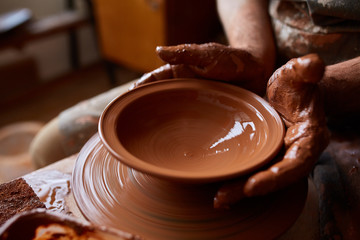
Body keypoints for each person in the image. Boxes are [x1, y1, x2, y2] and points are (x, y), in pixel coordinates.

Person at [30, 1, 360, 238]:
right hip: (263, 65)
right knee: (49, 145)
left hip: (348, 94)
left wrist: (325, 88)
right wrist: (253, 54)